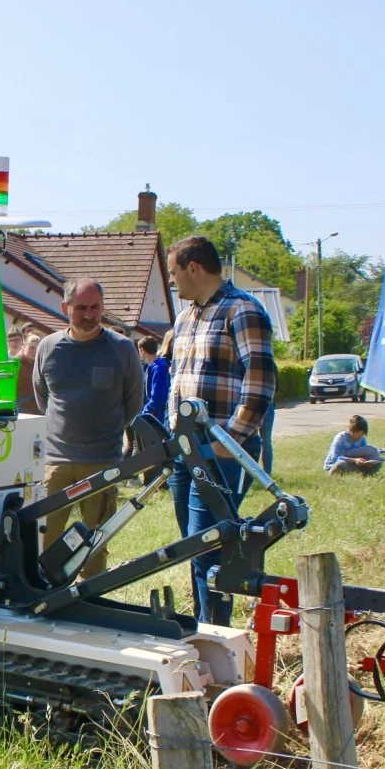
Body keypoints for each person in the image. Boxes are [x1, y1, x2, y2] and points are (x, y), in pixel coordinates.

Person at [163, 235, 276, 624]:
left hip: (220, 454)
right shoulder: (186, 317)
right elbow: (180, 381)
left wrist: (232, 442)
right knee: (194, 547)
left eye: (174, 272)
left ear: (193, 268)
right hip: (183, 450)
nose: (172, 281)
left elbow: (260, 384)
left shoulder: (242, 311)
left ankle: (217, 637)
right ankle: (204, 628)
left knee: (210, 549)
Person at [31, 280, 145, 580]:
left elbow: (134, 402)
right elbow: (43, 398)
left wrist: (106, 433)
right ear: (65, 308)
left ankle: (89, 598)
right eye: (81, 308)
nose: (89, 315)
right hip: (56, 461)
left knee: (95, 541)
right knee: (45, 538)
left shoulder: (122, 349)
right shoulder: (49, 347)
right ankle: (46, 596)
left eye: (95, 307)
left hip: (102, 460)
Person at [9, 324, 48, 413]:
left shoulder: (38, 363)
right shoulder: (15, 364)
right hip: (21, 407)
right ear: (23, 346)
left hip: (37, 405)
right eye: (31, 347)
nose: (35, 351)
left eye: (37, 348)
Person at [138, 335, 171, 428]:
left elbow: (158, 396)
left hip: (157, 417)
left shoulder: (158, 368)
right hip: (153, 415)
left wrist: (145, 412)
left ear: (142, 350)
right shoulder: (149, 367)